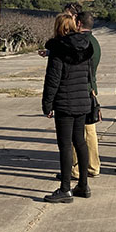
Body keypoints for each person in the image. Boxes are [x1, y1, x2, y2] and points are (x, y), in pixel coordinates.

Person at [42, 13, 95, 203]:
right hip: (82, 100)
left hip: (65, 101)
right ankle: (83, 184)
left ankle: (65, 188)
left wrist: (47, 104)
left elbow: (53, 79)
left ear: (59, 28)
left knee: (65, 145)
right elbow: (89, 75)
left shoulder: (58, 49)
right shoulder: (86, 46)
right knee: (79, 141)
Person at [71, 12, 101, 179]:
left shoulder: (81, 42)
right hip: (91, 88)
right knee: (90, 131)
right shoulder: (95, 42)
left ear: (79, 23)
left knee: (76, 132)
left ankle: (75, 168)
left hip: (80, 89)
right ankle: (93, 166)